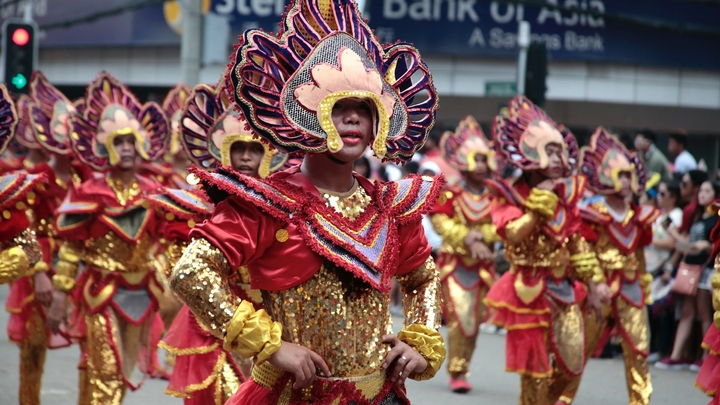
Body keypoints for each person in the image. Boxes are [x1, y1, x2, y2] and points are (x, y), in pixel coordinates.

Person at [169, 0, 446, 403]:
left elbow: (423, 279)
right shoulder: (269, 204)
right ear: (310, 115)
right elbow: (192, 273)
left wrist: (421, 340)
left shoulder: (390, 207)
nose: (352, 119)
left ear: (378, 124)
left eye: (363, 110)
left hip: (378, 394)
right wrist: (271, 346)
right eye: (340, 108)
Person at [158, 79, 288, 405]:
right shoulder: (195, 207)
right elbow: (184, 271)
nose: (246, 157)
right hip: (215, 326)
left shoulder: (287, 209)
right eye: (238, 149)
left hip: (275, 331)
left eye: (255, 149)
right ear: (223, 151)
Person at [46, 72, 169, 404]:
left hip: (143, 293)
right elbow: (71, 248)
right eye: (119, 142)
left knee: (122, 374)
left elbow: (166, 241)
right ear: (105, 146)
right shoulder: (89, 191)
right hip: (101, 293)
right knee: (106, 375)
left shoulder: (154, 191)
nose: (127, 149)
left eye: (131, 142)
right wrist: (60, 295)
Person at [483, 96, 606, 405]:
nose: (555, 158)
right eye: (548, 151)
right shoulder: (508, 192)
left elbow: (576, 240)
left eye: (557, 151)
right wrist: (539, 206)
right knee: (534, 376)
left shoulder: (567, 194)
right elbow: (511, 233)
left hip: (563, 288)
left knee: (571, 365)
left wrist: (595, 281)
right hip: (527, 290)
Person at [6, 71, 96, 405]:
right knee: (33, 349)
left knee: (94, 350)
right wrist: (40, 274)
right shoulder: (35, 179)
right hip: (39, 268)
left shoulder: (86, 178)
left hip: (84, 268)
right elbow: (22, 230)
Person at [559, 128, 659, 405]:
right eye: (621, 174)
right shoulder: (592, 213)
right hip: (597, 290)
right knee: (580, 348)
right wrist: (594, 283)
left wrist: (644, 285)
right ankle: (563, 398)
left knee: (638, 349)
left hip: (631, 289)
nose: (627, 181)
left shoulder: (639, 216)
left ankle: (640, 401)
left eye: (629, 174)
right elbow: (582, 251)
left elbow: (639, 256)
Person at [429, 116, 499, 394]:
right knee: (461, 319)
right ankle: (457, 371)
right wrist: (467, 237)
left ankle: (463, 366)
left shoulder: (496, 194)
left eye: (485, 160)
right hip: (456, 265)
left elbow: (505, 224)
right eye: (477, 160)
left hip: (483, 266)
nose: (481, 166)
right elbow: (439, 221)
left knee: (475, 322)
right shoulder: (452, 191)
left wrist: (483, 235)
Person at [656, 180, 720, 371]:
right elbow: (687, 245)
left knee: (704, 313)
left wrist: (707, 246)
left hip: (705, 269)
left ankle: (704, 356)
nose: (701, 194)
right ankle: (676, 356)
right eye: (700, 190)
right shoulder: (698, 216)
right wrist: (673, 233)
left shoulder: (716, 218)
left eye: (707, 191)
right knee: (686, 312)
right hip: (689, 267)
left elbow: (711, 245)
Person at [646, 180, 683, 363]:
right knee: (652, 310)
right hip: (651, 268)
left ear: (673, 197)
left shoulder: (675, 216)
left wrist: (647, 240)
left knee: (663, 311)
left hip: (664, 269)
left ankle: (662, 350)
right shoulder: (660, 215)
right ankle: (653, 348)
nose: (658, 198)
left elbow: (672, 244)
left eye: (662, 194)